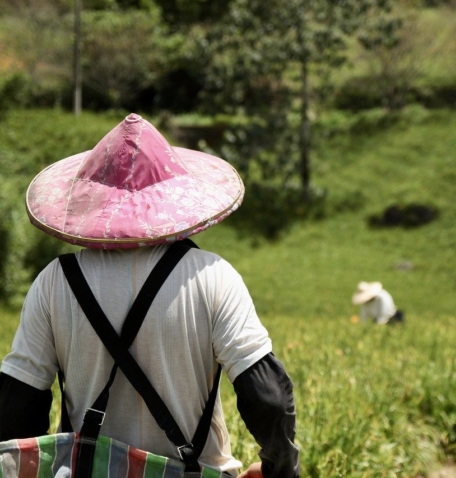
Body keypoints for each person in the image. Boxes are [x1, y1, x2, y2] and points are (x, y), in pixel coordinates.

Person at [0, 114, 300, 478]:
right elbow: (269, 398)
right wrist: (278, 470)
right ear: (174, 198)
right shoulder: (212, 276)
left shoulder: (54, 283)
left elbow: (16, 409)